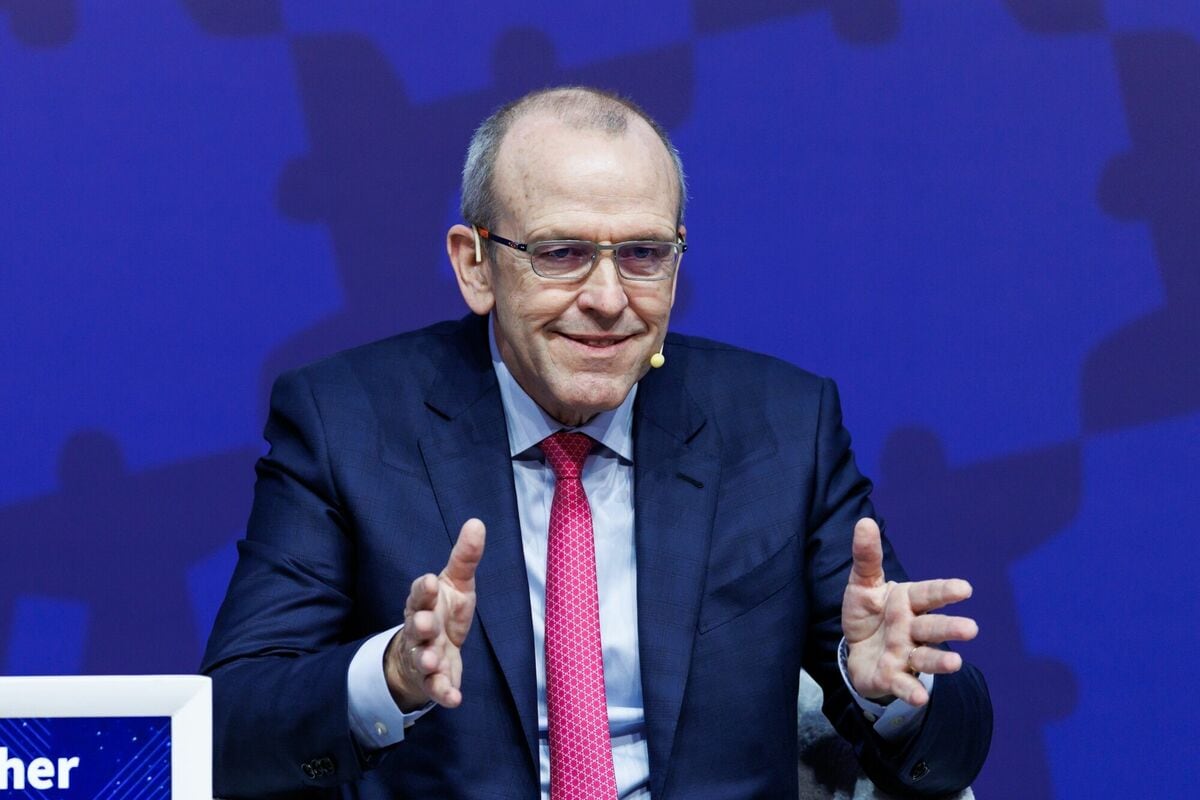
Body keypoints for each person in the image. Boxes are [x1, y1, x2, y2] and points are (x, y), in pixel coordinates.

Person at [202, 86, 991, 799]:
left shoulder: (782, 428)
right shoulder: (346, 422)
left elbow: (952, 751)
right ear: (475, 266)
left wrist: (884, 691)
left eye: (643, 254)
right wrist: (391, 677)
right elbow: (228, 727)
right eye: (562, 254)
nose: (609, 299)